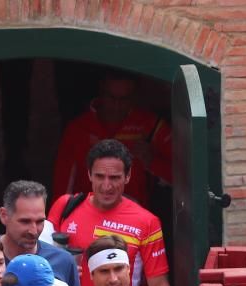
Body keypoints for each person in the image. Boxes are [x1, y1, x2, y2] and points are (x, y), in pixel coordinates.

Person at [47, 139, 172, 286]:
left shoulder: (147, 222)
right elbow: (41, 257)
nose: (107, 186)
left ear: (128, 176)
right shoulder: (64, 206)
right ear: (89, 174)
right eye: (100, 176)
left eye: (114, 178)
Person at [52, 70, 172, 208]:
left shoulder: (150, 126)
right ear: (101, 91)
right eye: (111, 98)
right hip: (87, 215)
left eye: (124, 99)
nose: (116, 106)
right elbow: (62, 188)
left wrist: (152, 161)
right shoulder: (78, 129)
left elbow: (186, 177)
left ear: (134, 97)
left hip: (133, 218)